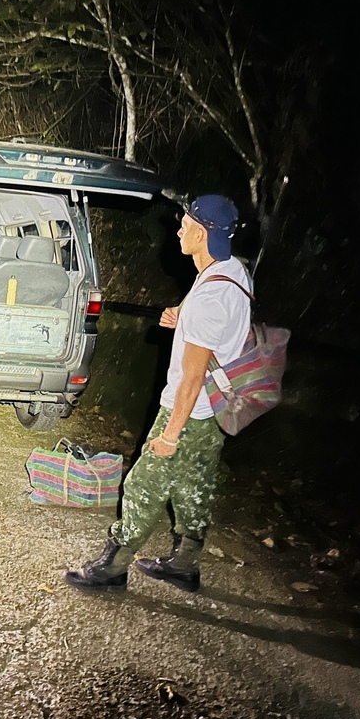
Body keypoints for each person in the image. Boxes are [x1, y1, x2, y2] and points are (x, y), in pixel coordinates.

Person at [64, 195, 251, 593]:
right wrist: (181, 315)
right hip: (217, 410)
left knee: (142, 485)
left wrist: (169, 435)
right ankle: (185, 564)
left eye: (184, 225)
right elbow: (217, 321)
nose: (179, 230)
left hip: (189, 410)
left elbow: (193, 375)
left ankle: (111, 568)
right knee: (194, 484)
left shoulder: (208, 299)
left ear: (201, 234)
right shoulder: (232, 272)